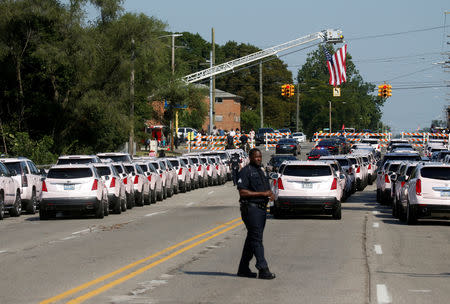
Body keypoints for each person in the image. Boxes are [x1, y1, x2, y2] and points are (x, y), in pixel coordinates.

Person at [236, 148, 276, 280]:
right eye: (256, 157)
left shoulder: (261, 171)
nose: (259, 159)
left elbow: (265, 188)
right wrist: (263, 194)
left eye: (260, 157)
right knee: (257, 239)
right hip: (251, 209)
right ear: (250, 157)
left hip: (261, 209)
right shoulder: (245, 171)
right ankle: (263, 268)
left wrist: (270, 194)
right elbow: (243, 192)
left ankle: (243, 268)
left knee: (252, 239)